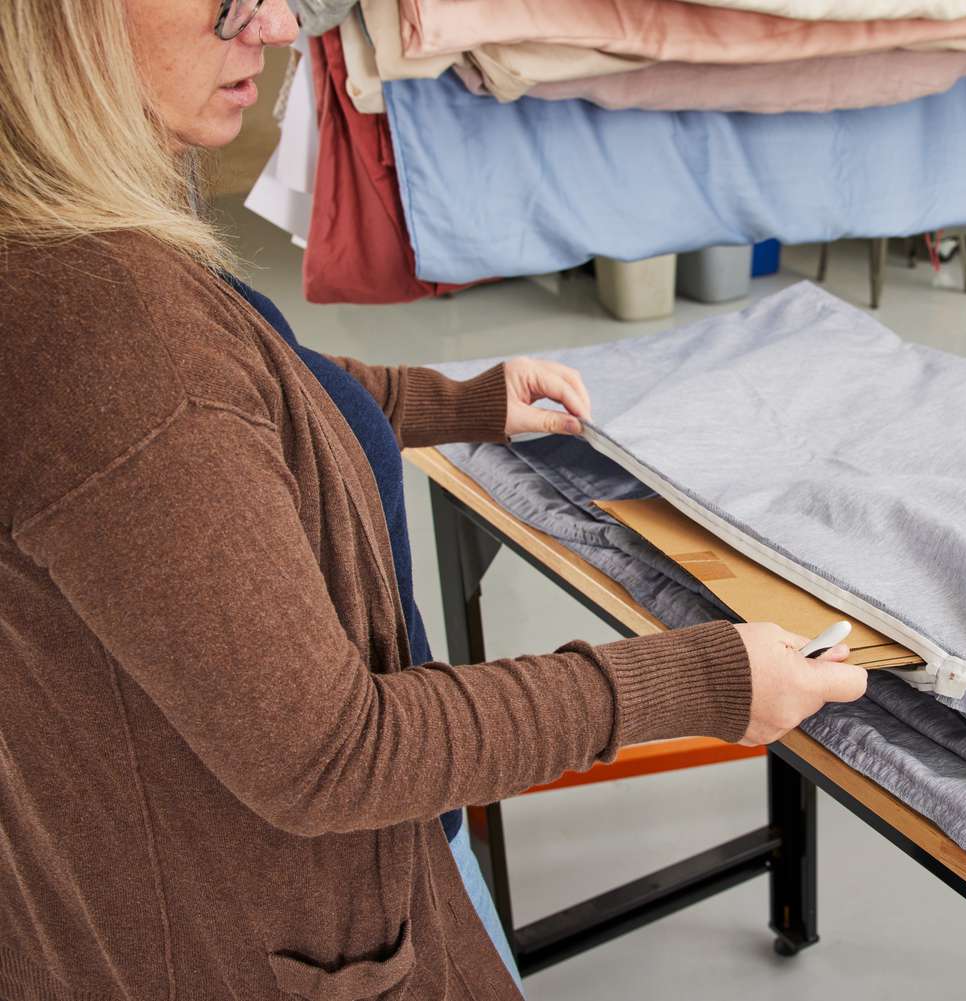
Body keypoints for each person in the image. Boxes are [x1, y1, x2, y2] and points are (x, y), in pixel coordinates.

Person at [0, 3, 870, 1001]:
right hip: (276, 924)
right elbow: (332, 752)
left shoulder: (65, 248)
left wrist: (455, 402)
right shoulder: (111, 328)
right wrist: (703, 680)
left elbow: (254, 390)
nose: (276, 27)